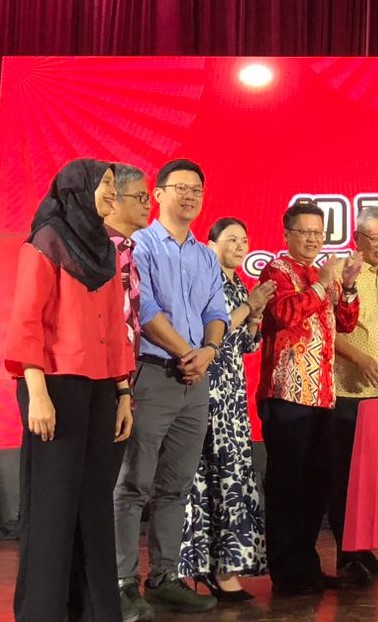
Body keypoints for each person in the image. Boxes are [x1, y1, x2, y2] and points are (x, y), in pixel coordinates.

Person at [5, 159, 135, 621]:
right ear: (76, 188)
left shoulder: (102, 246)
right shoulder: (46, 240)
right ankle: (45, 611)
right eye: (104, 185)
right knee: (54, 506)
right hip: (54, 385)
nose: (111, 194)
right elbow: (25, 321)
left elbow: (117, 328)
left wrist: (123, 392)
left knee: (93, 503)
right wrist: (36, 391)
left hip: (101, 388)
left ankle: (96, 611)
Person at [114, 158, 225, 618]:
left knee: (176, 485)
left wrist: (209, 352)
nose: (190, 196)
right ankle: (122, 581)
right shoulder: (137, 245)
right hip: (153, 374)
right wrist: (187, 353)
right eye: (180, 187)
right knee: (133, 483)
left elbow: (216, 309)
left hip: (195, 380)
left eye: (197, 189)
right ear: (157, 194)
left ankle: (163, 577)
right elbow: (144, 309)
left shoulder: (204, 254)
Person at [257, 199, 362, 596]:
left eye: (318, 233)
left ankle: (308, 567)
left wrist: (347, 284)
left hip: (322, 396)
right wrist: (322, 284)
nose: (313, 240)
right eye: (305, 233)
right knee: (287, 487)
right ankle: (286, 572)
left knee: (316, 486)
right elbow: (284, 314)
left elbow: (347, 322)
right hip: (286, 394)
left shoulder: (326, 274)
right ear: (288, 235)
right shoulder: (277, 270)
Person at [179, 218, 276, 600]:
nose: (240, 245)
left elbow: (245, 345)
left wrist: (254, 316)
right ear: (211, 243)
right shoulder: (205, 279)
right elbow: (209, 332)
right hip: (208, 390)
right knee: (209, 478)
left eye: (245, 239)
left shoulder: (238, 283)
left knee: (232, 478)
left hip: (233, 394)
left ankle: (224, 565)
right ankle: (207, 569)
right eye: (231, 239)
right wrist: (247, 308)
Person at [329, 206, 378, 581]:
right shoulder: (342, 271)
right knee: (346, 477)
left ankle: (365, 550)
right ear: (357, 238)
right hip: (348, 391)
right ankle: (347, 555)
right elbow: (327, 327)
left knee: (372, 479)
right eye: (376, 238)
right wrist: (358, 357)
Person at [103, 163, 149, 483]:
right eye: (141, 196)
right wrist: (120, 387)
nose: (148, 204)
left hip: (124, 378)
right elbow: (111, 322)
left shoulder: (128, 249)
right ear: (114, 200)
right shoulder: (102, 249)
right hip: (103, 378)